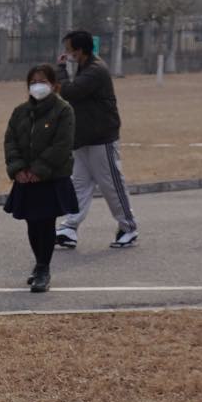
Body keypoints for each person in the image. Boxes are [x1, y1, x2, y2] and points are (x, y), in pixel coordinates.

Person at [53, 29, 137, 252]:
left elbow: (70, 92)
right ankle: (69, 228)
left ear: (80, 50)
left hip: (101, 137)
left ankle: (128, 227)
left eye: (69, 49)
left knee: (111, 184)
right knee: (78, 184)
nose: (66, 53)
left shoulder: (95, 70)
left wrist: (60, 69)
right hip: (82, 137)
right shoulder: (83, 67)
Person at [2, 64, 79, 295]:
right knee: (32, 223)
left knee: (46, 224)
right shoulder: (20, 111)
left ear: (54, 85)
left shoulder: (63, 110)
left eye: (43, 81)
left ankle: (44, 268)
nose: (38, 86)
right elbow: (10, 141)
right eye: (33, 82)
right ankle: (39, 263)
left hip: (51, 178)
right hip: (25, 179)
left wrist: (38, 170)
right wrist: (18, 169)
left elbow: (62, 144)